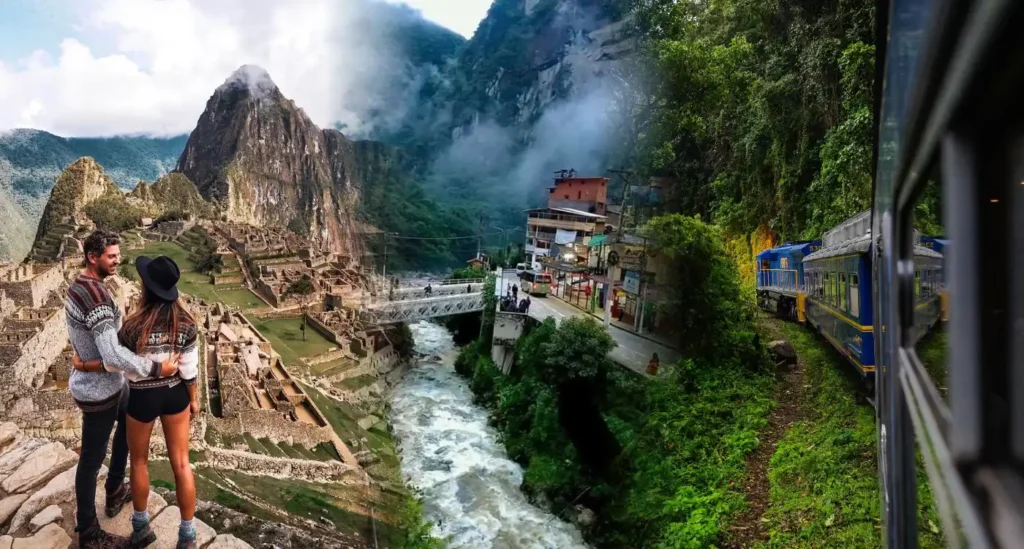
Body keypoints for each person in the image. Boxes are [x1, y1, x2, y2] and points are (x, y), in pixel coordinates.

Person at [78, 255, 201, 548]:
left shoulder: (133, 326)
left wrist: (85, 365)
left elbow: (119, 363)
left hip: (143, 396)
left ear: (146, 288)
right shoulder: (185, 323)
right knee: (182, 464)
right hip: (175, 394)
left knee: (140, 462)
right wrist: (193, 400)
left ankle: (141, 526)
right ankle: (187, 535)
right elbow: (190, 370)